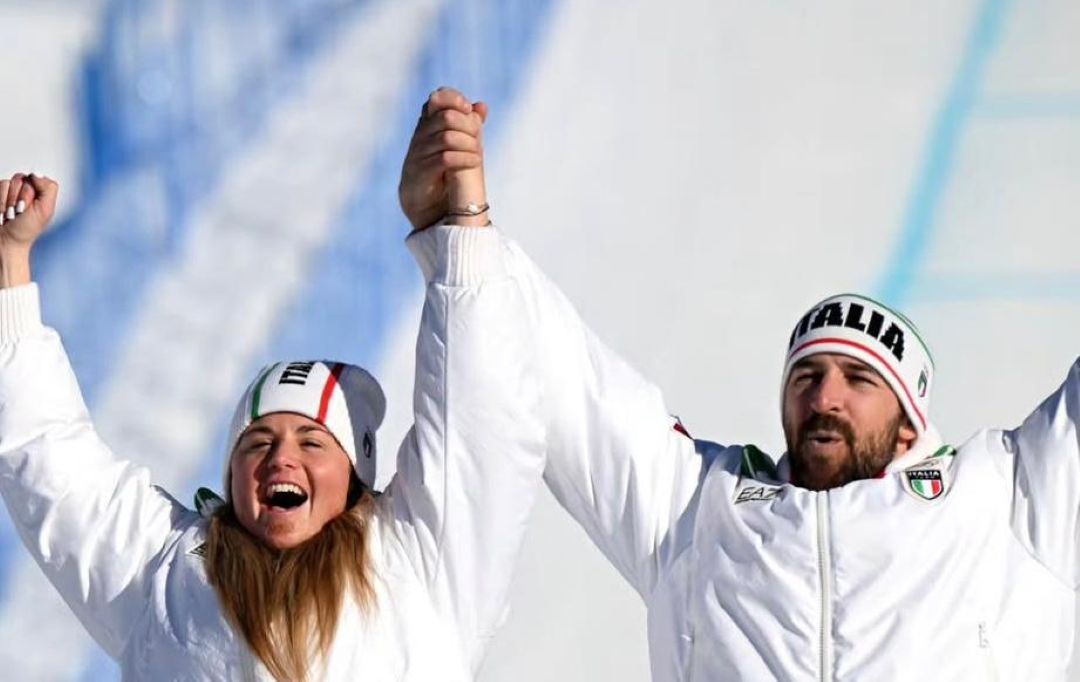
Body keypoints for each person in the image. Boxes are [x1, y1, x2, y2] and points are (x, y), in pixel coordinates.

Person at [401, 88, 1080, 681]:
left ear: (910, 420)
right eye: (806, 376)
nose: (824, 397)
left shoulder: (1007, 499)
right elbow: (565, 376)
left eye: (858, 379)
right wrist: (458, 227)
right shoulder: (700, 510)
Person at [0, 104, 543, 681]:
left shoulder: (420, 560)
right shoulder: (166, 571)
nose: (281, 458)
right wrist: (8, 264)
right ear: (231, 475)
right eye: (257, 442)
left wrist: (461, 224)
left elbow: (478, 424)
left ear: (355, 475)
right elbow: (47, 461)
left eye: (312, 442)